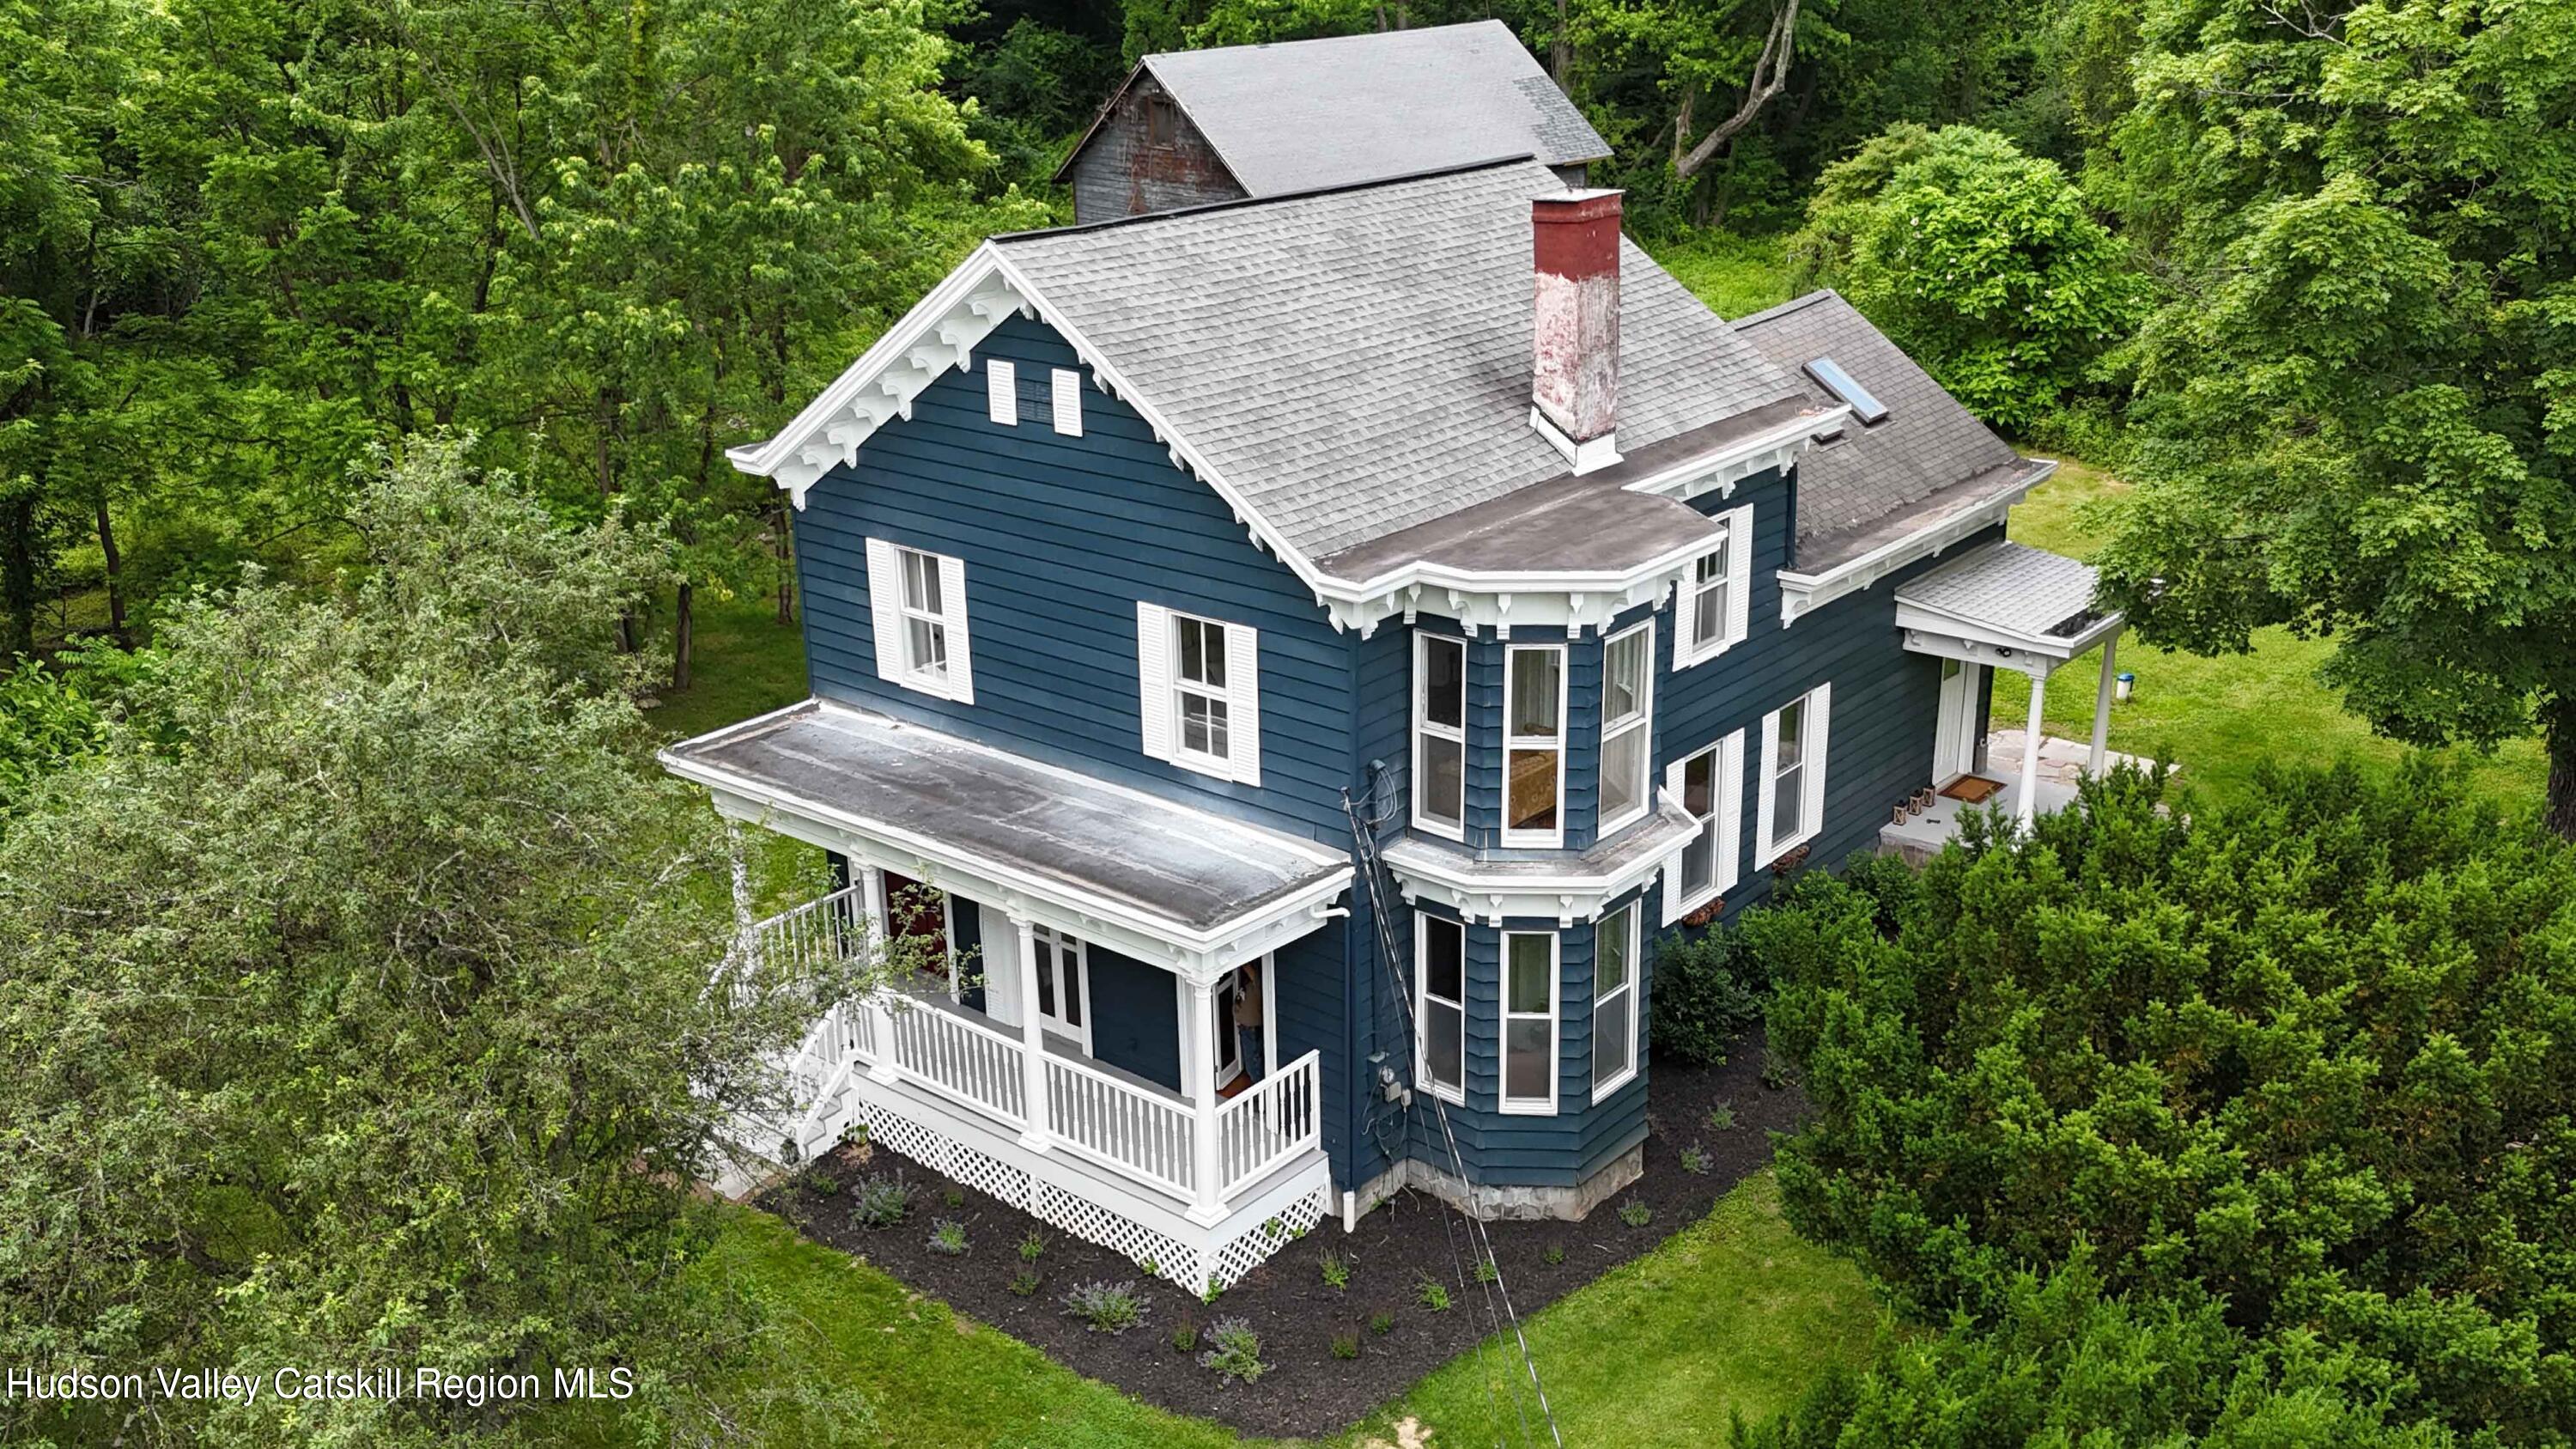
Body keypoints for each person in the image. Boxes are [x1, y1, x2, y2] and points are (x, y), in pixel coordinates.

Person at [1233, 963, 1265, 1082]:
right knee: (1252, 1057)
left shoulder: (1257, 985)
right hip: (1244, 1027)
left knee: (1253, 1059)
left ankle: (1258, 1087)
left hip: (1251, 1028)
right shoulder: (1247, 985)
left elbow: (1250, 971)